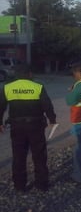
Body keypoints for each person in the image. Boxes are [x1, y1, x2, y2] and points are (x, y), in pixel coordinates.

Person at [0, 64, 57, 192]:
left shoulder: (8, 88)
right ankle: (41, 185)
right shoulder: (38, 87)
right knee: (39, 155)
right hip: (36, 126)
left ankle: (19, 186)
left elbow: (1, 107)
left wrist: (0, 123)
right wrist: (52, 120)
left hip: (17, 127)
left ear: (16, 75)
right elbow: (47, 105)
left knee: (18, 156)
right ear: (30, 74)